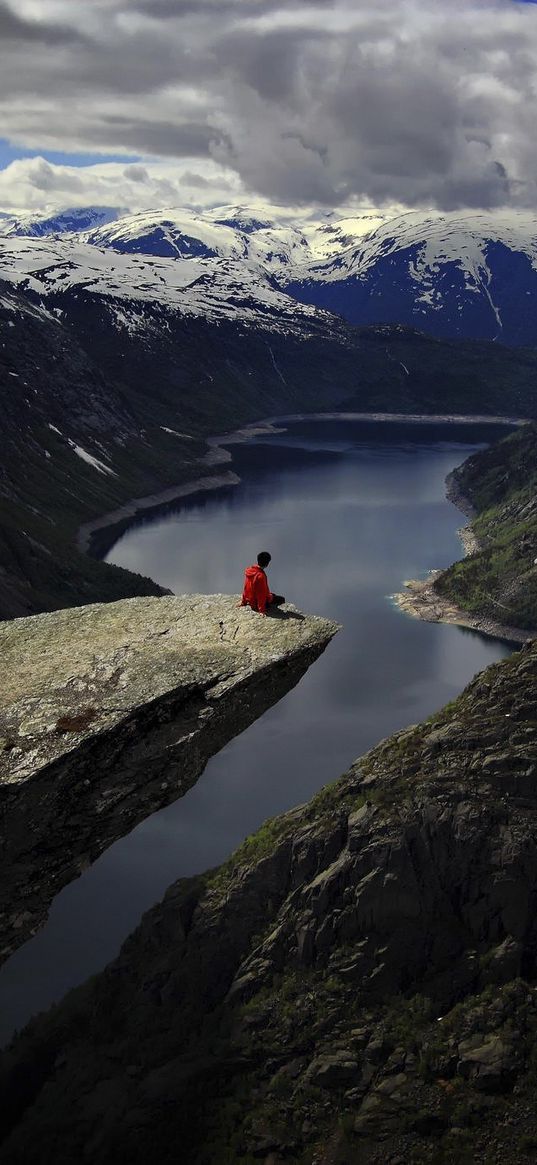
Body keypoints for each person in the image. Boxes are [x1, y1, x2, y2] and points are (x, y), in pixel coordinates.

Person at [240, 551, 285, 616]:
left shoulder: (249, 570)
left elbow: (246, 587)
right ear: (267, 564)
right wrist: (261, 610)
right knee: (281, 599)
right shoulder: (260, 576)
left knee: (273, 595)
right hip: (256, 603)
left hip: (250, 599)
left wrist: (243, 602)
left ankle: (271, 596)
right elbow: (261, 595)